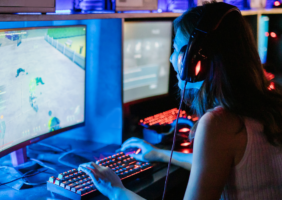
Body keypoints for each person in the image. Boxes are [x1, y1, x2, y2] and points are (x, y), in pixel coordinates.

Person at [79, 2, 282, 200]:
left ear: (197, 62)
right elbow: (214, 163)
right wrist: (160, 154)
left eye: (177, 50)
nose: (171, 59)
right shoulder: (269, 103)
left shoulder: (220, 123)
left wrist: (115, 190)